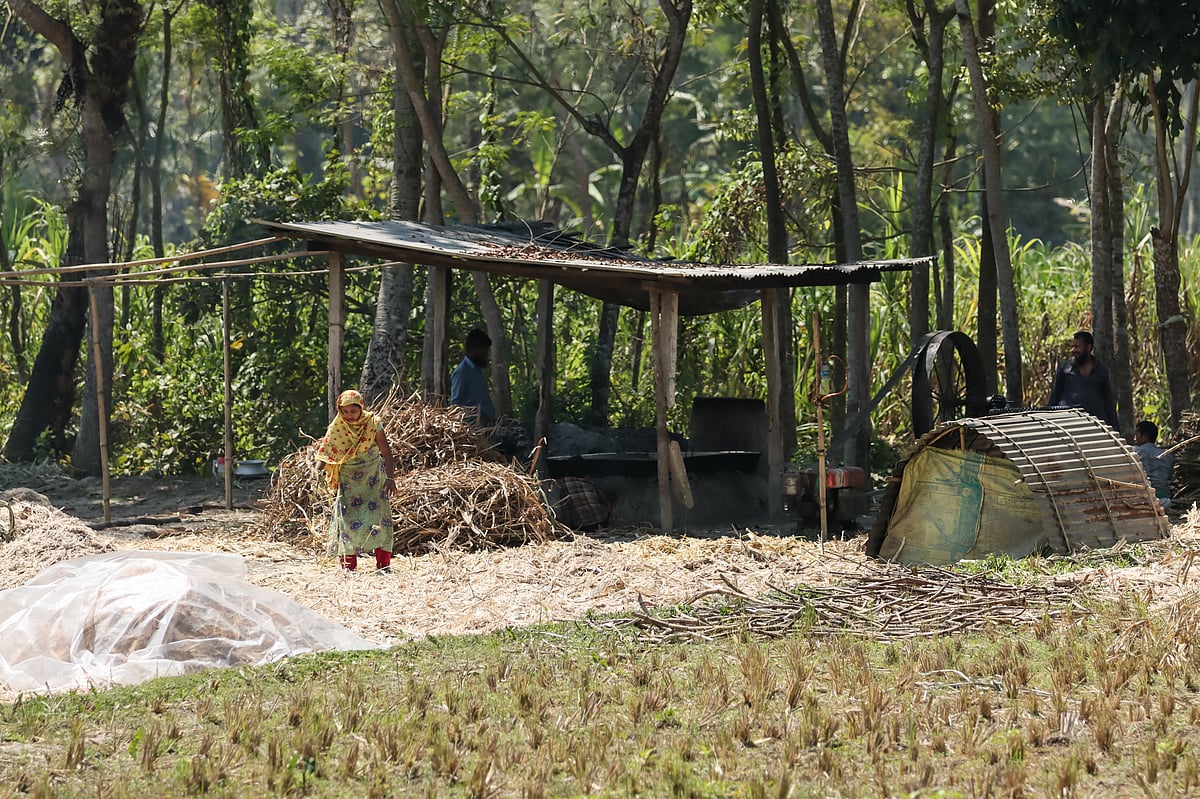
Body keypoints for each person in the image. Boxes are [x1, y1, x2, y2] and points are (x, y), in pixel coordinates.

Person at [314, 390, 397, 571]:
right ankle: (348, 567)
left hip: (374, 479)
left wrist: (390, 478)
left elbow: (386, 452)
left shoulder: (373, 423)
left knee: (380, 520)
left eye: (353, 411)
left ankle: (383, 565)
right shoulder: (337, 427)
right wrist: (315, 471)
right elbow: (326, 452)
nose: (349, 416)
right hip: (348, 482)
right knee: (346, 521)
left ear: (361, 408)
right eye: (345, 411)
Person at [1047, 330, 1120, 432]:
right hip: (1066, 421)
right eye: (1072, 346)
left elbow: (1108, 402)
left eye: (1077, 346)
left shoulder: (1101, 370)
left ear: (1088, 347)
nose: (1073, 350)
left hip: (1094, 423)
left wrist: (1115, 428)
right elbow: (1054, 396)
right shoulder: (1064, 368)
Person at [450, 328, 496, 427]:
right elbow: (455, 405)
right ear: (473, 349)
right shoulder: (462, 372)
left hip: (486, 427)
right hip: (473, 429)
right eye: (483, 350)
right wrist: (476, 416)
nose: (486, 354)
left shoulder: (478, 371)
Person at [1133, 420, 1174, 511]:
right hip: (1164, 501)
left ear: (1144, 436)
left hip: (1142, 499)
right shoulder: (1168, 455)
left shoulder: (1133, 452)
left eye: (1136, 435)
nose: (1134, 438)